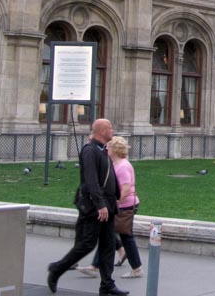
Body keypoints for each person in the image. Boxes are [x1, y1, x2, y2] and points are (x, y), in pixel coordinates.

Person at [46, 118, 127, 296]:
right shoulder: (90, 151)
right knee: (87, 243)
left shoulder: (103, 150)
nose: (112, 130)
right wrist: (100, 205)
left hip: (108, 205)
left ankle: (107, 285)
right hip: (94, 207)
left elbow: (108, 174)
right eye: (110, 128)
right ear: (101, 131)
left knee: (108, 245)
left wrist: (116, 195)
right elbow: (91, 180)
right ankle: (57, 269)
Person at [81, 136, 143, 279]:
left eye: (108, 146)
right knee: (109, 233)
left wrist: (115, 204)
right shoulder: (115, 164)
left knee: (124, 235)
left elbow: (126, 189)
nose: (106, 148)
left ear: (115, 149)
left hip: (124, 206)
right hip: (120, 205)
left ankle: (135, 268)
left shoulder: (123, 166)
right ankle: (99, 265)